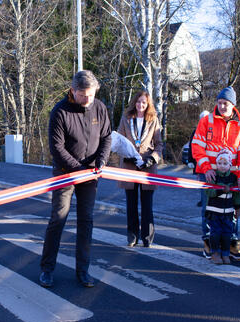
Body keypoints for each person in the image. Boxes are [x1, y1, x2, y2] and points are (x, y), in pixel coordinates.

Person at [39, 70, 111, 288]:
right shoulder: (60, 111)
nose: (88, 100)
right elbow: (57, 148)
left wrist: (102, 160)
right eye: (84, 95)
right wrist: (77, 168)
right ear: (73, 91)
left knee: (86, 221)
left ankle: (83, 271)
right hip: (66, 173)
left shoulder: (99, 107)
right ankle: (47, 270)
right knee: (58, 219)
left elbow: (107, 136)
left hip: (91, 174)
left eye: (91, 95)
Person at [191, 86, 240, 261]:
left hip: (231, 177)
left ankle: (231, 245)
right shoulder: (206, 121)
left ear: (233, 105)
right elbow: (197, 147)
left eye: (225, 103)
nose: (222, 107)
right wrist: (206, 168)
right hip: (209, 174)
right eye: (220, 103)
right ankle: (209, 244)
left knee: (232, 210)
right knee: (208, 209)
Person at [117, 90, 163, 247]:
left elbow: (159, 144)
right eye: (138, 102)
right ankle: (132, 235)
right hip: (129, 166)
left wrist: (152, 159)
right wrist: (127, 155)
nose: (140, 105)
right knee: (131, 204)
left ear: (148, 104)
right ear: (134, 102)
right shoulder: (126, 118)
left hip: (147, 168)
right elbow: (119, 140)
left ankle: (147, 237)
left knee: (147, 204)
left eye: (144, 102)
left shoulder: (153, 120)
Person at [204, 149, 240, 264]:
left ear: (230, 164)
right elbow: (208, 192)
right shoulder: (213, 176)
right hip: (214, 212)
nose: (222, 166)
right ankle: (215, 253)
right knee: (215, 233)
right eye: (219, 163)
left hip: (228, 213)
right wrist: (221, 189)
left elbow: (236, 194)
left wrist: (238, 207)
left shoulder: (233, 178)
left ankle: (225, 254)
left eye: (225, 164)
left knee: (227, 234)